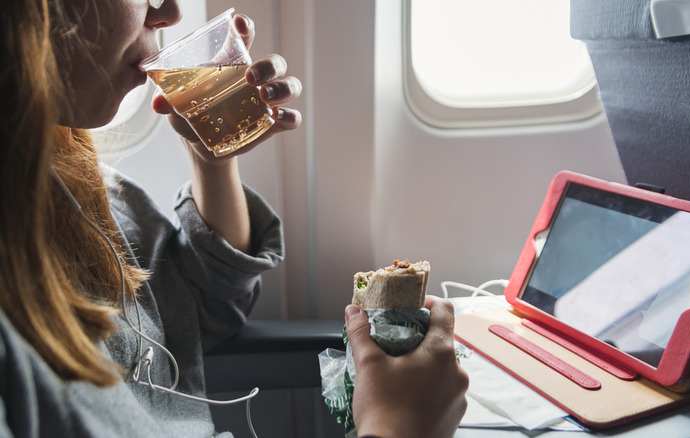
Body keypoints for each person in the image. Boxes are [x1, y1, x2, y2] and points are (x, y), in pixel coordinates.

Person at [0, 0, 468, 437]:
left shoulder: (79, 184)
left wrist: (212, 162)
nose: (169, 11)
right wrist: (397, 423)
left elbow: (205, 311)